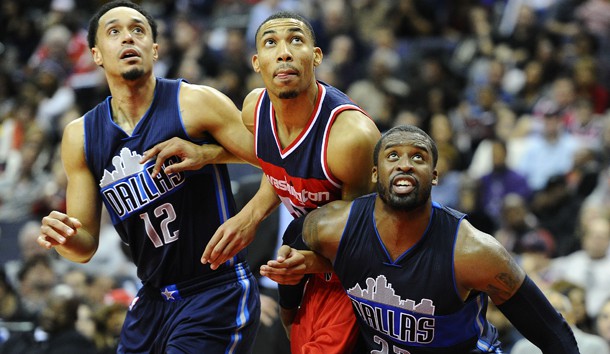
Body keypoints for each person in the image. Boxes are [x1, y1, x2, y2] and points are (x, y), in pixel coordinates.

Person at [142, 10, 381, 353]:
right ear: (257, 62)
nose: (283, 51)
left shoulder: (350, 138)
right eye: (271, 42)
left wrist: (313, 263)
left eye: (295, 40)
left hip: (360, 279)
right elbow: (276, 162)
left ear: (316, 56)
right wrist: (245, 209)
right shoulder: (254, 109)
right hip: (308, 266)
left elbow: (370, 241)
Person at [36, 1, 260, 353]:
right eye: (115, 31)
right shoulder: (80, 136)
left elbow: (276, 159)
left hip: (214, 290)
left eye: (138, 30)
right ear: (96, 54)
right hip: (153, 298)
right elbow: (84, 247)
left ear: (154, 49)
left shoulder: (195, 102)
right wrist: (64, 238)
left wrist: (209, 154)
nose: (128, 38)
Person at [263, 125, 579, 352]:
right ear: (375, 173)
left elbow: (552, 333)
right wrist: (289, 311)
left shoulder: (472, 251)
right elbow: (294, 242)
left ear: (435, 175)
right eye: (393, 156)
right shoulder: (334, 226)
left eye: (418, 158)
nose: (404, 164)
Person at [511, 289, 609, 354]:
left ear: (571, 315)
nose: (549, 314)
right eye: (542, 310)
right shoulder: (522, 349)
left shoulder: (594, 346)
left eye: (556, 309)